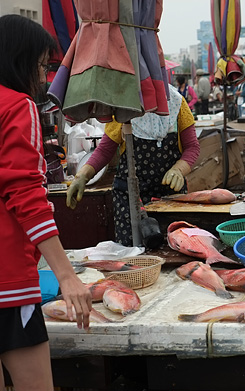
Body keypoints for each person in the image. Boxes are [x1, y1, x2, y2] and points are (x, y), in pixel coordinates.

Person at [0, 14, 92, 390]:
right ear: (18, 60)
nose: (43, 79)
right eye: (41, 66)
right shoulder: (17, 105)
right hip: (7, 283)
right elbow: (25, 195)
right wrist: (67, 276)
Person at [66, 85, 201, 246]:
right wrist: (83, 175)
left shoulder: (177, 103)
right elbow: (104, 150)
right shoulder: (125, 107)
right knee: (133, 253)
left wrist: (179, 169)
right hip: (130, 197)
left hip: (170, 196)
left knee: (174, 249)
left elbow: (192, 146)